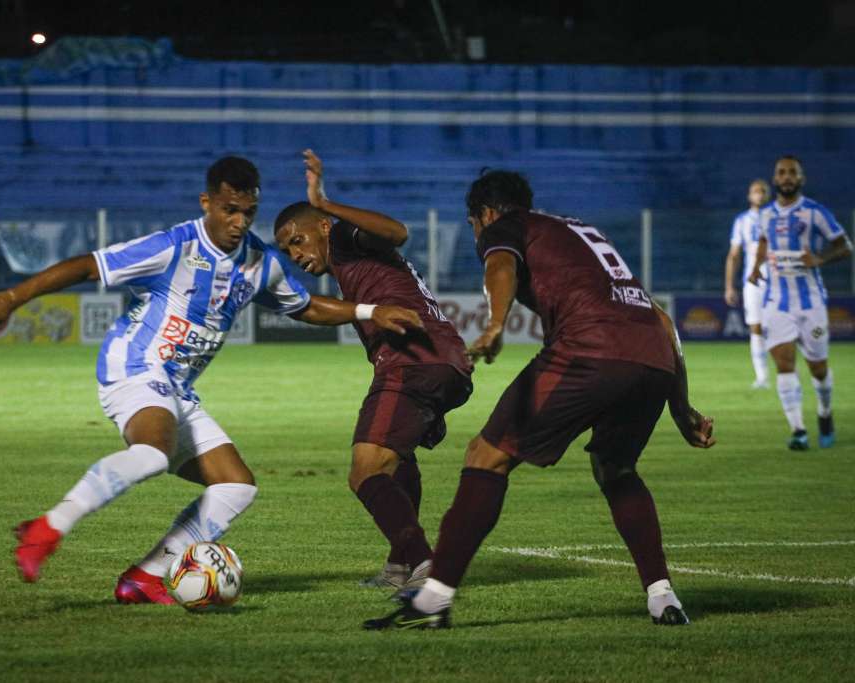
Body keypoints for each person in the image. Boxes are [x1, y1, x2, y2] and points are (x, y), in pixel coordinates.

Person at [0, 156, 422, 604]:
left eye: (248, 212)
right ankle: (47, 528)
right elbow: (89, 267)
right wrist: (13, 297)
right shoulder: (175, 247)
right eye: (229, 210)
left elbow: (305, 307)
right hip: (135, 369)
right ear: (207, 203)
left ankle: (145, 576)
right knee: (150, 455)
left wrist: (369, 310)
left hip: (177, 390)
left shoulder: (258, 263)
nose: (239, 221)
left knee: (236, 485)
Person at [365, 169, 716, 631]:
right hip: (653, 357)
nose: (478, 237)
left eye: (475, 226)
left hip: (590, 348)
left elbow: (500, 266)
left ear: (485, 214)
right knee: (617, 468)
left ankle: (431, 603)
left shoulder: (505, 228)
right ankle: (662, 596)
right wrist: (681, 406)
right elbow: (661, 319)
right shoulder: (579, 231)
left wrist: (494, 323)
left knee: (485, 456)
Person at [274, 150, 473, 594]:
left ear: (322, 226)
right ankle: (400, 564)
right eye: (287, 249)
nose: (295, 253)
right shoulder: (348, 266)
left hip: (413, 361)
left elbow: (397, 232)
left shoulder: (344, 237)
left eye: (297, 240)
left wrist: (326, 203)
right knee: (398, 461)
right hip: (443, 360)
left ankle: (425, 564)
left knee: (365, 471)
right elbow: (316, 310)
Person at [748, 155, 851, 450]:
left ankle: (825, 411)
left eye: (792, 172)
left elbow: (845, 245)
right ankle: (799, 430)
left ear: (801, 178)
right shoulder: (765, 215)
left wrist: (819, 259)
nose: (787, 177)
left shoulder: (815, 212)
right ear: (775, 179)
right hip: (776, 303)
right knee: (784, 364)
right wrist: (756, 267)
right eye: (781, 172)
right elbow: (764, 242)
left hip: (811, 304)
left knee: (818, 368)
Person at [724, 179, 771, 388]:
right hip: (752, 282)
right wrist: (729, 286)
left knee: (779, 327)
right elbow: (734, 255)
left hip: (778, 280)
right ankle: (762, 377)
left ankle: (786, 372)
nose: (759, 194)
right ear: (749, 196)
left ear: (767, 195)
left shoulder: (777, 217)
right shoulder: (742, 221)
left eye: (762, 191)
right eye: (755, 191)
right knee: (756, 326)